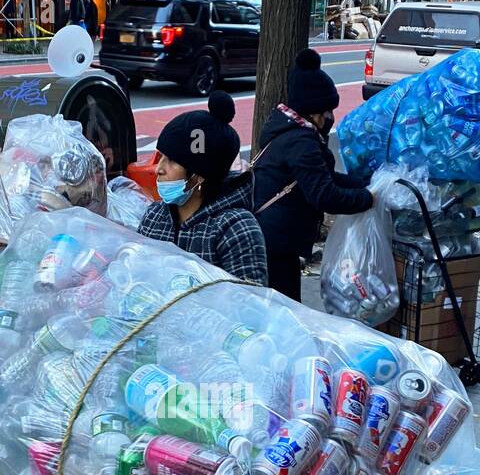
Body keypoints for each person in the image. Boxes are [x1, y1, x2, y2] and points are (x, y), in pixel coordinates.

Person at [251, 48, 373, 301]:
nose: (330, 116)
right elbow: (325, 195)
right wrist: (368, 199)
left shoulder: (290, 130)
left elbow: (324, 177)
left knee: (279, 304)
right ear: (312, 109)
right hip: (276, 242)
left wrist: (366, 184)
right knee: (284, 309)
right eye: (327, 110)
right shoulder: (301, 143)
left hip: (273, 236)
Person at [138, 91, 267, 284]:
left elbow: (249, 305)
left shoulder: (236, 229)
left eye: (171, 161)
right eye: (161, 157)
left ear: (198, 177)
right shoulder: (155, 216)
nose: (159, 169)